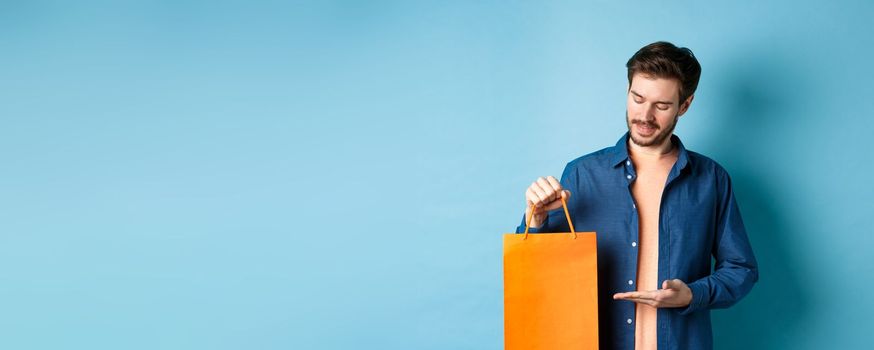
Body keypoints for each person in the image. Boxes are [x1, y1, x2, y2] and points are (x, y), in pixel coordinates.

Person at [516, 41, 758, 350]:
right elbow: (538, 276)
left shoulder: (711, 180)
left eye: (662, 105)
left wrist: (692, 294)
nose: (644, 115)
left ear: (684, 106)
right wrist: (534, 220)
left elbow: (742, 269)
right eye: (637, 98)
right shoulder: (582, 174)